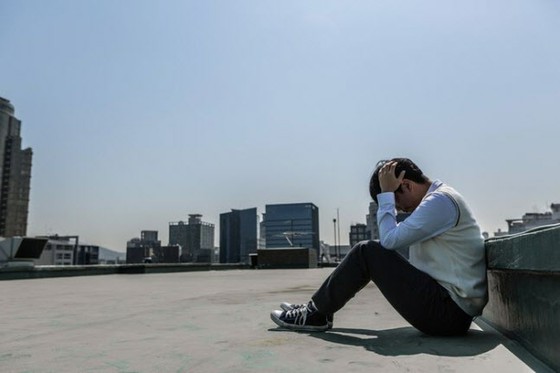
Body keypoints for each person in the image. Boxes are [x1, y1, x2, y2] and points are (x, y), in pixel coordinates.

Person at [270, 158, 488, 336]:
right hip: (449, 308)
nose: (400, 210)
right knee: (371, 251)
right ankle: (318, 309)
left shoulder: (440, 202)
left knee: (367, 251)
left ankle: (315, 314)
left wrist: (385, 198)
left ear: (406, 185)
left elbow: (389, 241)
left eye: (397, 202)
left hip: (449, 314)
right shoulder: (439, 201)